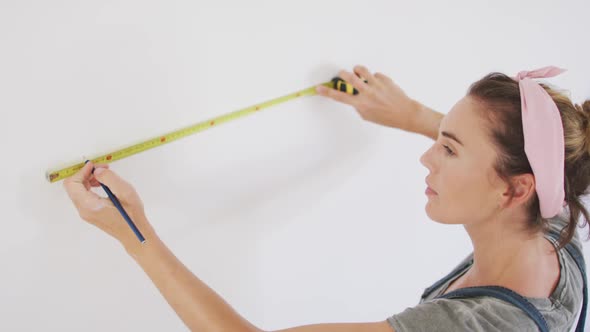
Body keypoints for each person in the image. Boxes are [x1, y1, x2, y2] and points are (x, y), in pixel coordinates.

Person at [64, 65, 589, 331]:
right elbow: (520, 151)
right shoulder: (551, 209)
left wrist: (136, 236)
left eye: (448, 150)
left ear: (514, 188)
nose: (426, 157)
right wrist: (414, 116)